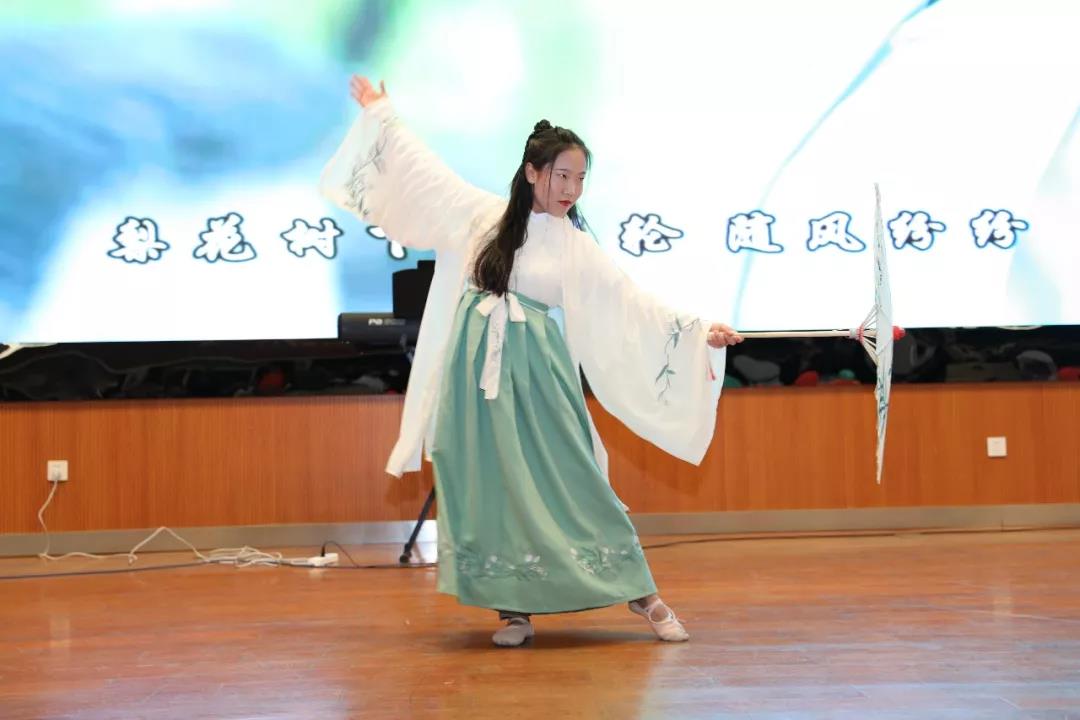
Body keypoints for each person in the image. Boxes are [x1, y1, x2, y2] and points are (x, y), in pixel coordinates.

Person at [321, 76, 743, 647]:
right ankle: (514, 609)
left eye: (580, 178)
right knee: (490, 485)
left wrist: (699, 331)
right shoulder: (482, 216)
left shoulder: (575, 244)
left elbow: (630, 301)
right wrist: (382, 113)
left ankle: (644, 595)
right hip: (476, 377)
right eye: (561, 175)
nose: (571, 189)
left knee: (575, 477)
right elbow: (423, 172)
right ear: (531, 173)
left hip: (539, 373)